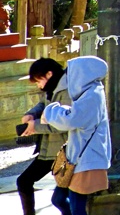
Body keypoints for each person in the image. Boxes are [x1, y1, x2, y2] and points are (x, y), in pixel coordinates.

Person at [40, 55, 111, 215]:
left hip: (86, 160)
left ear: (82, 74)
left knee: (77, 206)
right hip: (78, 158)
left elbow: (71, 119)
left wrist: (51, 110)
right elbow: (76, 115)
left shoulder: (93, 95)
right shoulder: (89, 93)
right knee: (59, 199)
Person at [17, 58, 70, 215]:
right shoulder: (53, 87)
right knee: (24, 181)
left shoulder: (66, 91)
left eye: (38, 81)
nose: (38, 85)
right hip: (49, 149)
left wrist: (36, 127)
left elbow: (63, 123)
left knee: (61, 198)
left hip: (62, 151)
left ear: (49, 74)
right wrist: (31, 115)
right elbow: (43, 104)